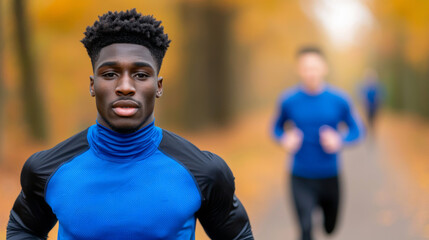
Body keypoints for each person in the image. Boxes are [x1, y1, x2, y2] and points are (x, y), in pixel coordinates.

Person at [7, 9, 253, 240]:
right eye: (110, 74)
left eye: (141, 75)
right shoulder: (46, 170)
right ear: (93, 85)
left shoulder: (204, 172)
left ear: (158, 86)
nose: (125, 86)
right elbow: (23, 228)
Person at [272, 46, 364, 240]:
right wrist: (284, 139)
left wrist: (340, 140)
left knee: (330, 228)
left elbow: (357, 130)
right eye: (305, 68)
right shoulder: (288, 100)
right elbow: (276, 128)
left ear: (324, 68)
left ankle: (328, 224)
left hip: (330, 175)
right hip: (300, 176)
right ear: (299, 69)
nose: (310, 73)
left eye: (314, 67)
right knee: (305, 228)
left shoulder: (339, 99)